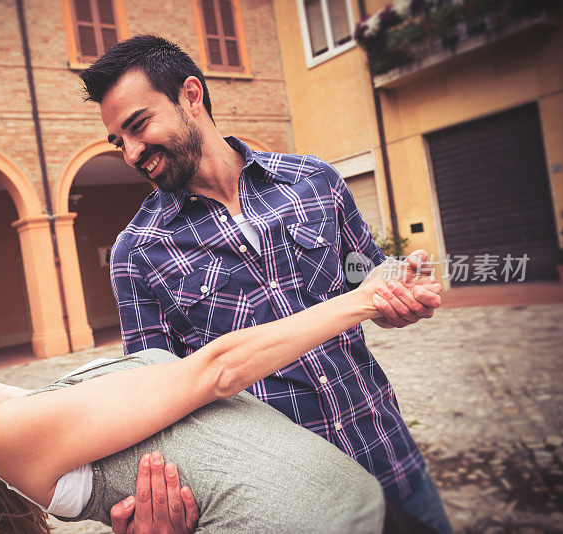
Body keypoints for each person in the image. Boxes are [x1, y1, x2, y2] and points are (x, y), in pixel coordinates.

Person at [80, 35, 452, 533]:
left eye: (138, 126)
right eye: (118, 141)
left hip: (391, 458)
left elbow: (366, 275)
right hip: (289, 506)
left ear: (191, 96)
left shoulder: (314, 180)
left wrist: (401, 291)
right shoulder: (137, 253)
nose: (130, 153)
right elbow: (154, 402)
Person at [0, 256, 439, 533]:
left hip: (363, 508)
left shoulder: (44, 404)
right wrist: (364, 300)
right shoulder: (7, 438)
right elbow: (214, 372)